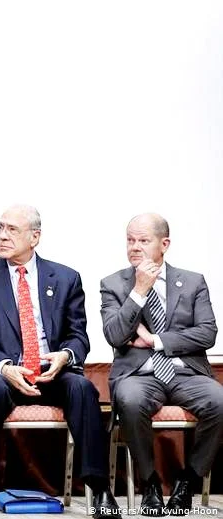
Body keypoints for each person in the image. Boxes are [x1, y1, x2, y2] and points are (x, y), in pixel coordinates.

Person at [0, 205, 120, 519]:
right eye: (0, 228)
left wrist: (65, 355)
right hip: (0, 373)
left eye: (12, 229)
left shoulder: (66, 278)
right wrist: (5, 367)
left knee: (82, 388)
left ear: (35, 237)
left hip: (50, 373)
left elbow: (78, 336)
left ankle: (100, 490)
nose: (2, 235)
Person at [100, 213, 223, 516]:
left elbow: (207, 332)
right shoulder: (114, 284)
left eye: (143, 240)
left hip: (186, 372)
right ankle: (150, 483)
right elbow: (115, 334)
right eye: (130, 240)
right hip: (138, 375)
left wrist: (156, 341)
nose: (135, 247)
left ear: (164, 244)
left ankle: (187, 482)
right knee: (130, 400)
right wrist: (139, 290)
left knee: (220, 402)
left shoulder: (192, 282)